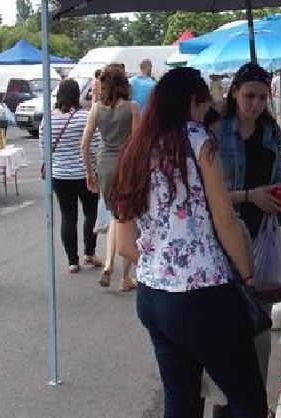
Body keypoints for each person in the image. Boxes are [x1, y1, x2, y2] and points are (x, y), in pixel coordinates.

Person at [110, 67, 267, 417]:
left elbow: (123, 245)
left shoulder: (133, 150)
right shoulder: (197, 140)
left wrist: (162, 265)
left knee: (180, 398)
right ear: (192, 104)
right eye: (202, 107)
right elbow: (225, 221)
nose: (203, 116)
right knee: (246, 397)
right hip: (203, 295)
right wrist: (248, 277)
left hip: (152, 297)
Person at [212, 62, 281, 417]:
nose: (255, 104)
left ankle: (254, 404)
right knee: (227, 328)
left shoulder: (271, 131)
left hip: (262, 236)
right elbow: (210, 194)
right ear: (234, 93)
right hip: (224, 240)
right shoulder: (216, 131)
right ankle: (227, 405)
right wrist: (248, 195)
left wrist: (278, 197)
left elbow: (280, 176)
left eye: (261, 97)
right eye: (249, 96)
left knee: (259, 325)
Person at [81, 63, 141, 292]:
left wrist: (89, 172)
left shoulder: (96, 109)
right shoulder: (132, 108)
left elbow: (84, 144)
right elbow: (138, 143)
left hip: (104, 165)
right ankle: (124, 276)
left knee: (117, 216)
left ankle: (108, 264)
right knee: (128, 219)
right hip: (126, 166)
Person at [40, 79, 103, 273]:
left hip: (60, 176)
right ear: (77, 95)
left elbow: (44, 147)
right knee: (91, 213)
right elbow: (94, 145)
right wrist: (93, 168)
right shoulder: (85, 116)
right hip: (85, 174)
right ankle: (89, 253)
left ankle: (72, 261)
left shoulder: (48, 118)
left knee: (68, 217)